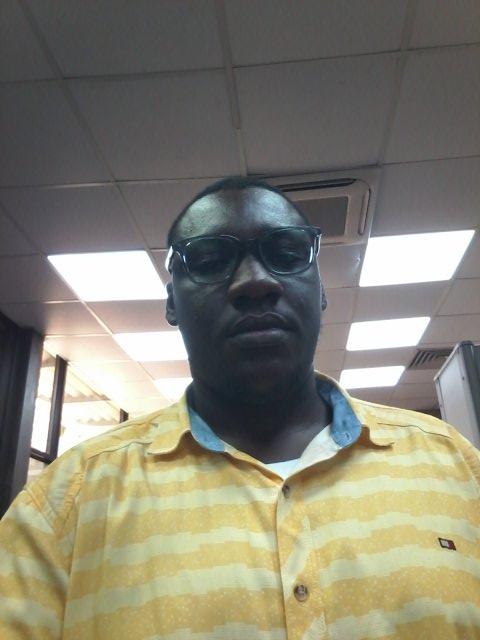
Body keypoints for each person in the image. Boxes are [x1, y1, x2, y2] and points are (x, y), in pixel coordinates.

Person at [1, 176, 479, 640]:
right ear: (172, 303)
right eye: (210, 260)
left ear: (321, 291)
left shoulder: (453, 465)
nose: (255, 281)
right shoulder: (67, 504)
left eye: (286, 255)